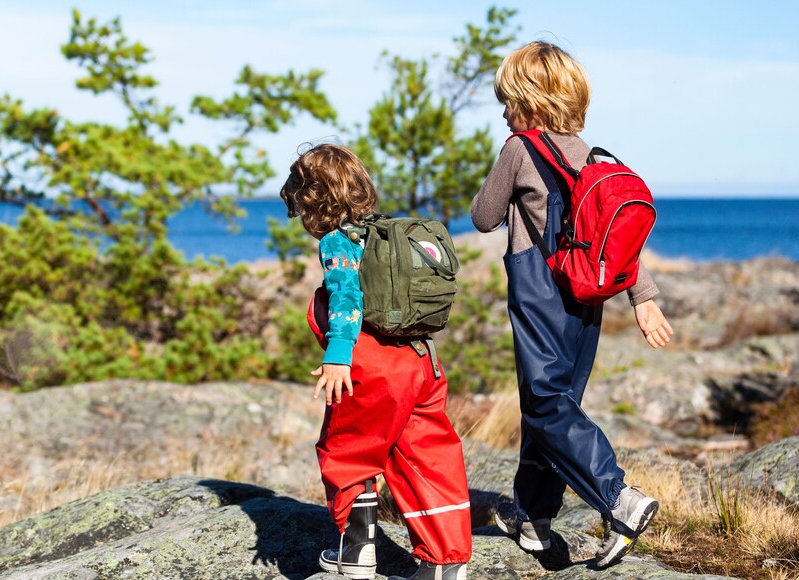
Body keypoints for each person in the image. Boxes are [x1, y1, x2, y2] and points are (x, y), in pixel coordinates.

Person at [470, 41, 675, 569]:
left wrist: (499, 181)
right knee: (557, 406)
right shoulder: (593, 156)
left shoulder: (519, 148)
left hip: (541, 293)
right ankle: (536, 517)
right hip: (588, 300)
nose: (503, 112)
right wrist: (643, 298)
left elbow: (484, 216)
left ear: (530, 103)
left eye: (507, 102)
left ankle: (618, 498)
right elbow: (612, 242)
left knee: (544, 403)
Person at [280, 143, 472, 580]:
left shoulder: (338, 240)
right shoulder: (386, 233)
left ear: (313, 202)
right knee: (427, 455)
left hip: (371, 369)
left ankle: (357, 552)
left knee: (347, 450)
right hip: (422, 363)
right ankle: (447, 561)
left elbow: (346, 296)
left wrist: (337, 357)